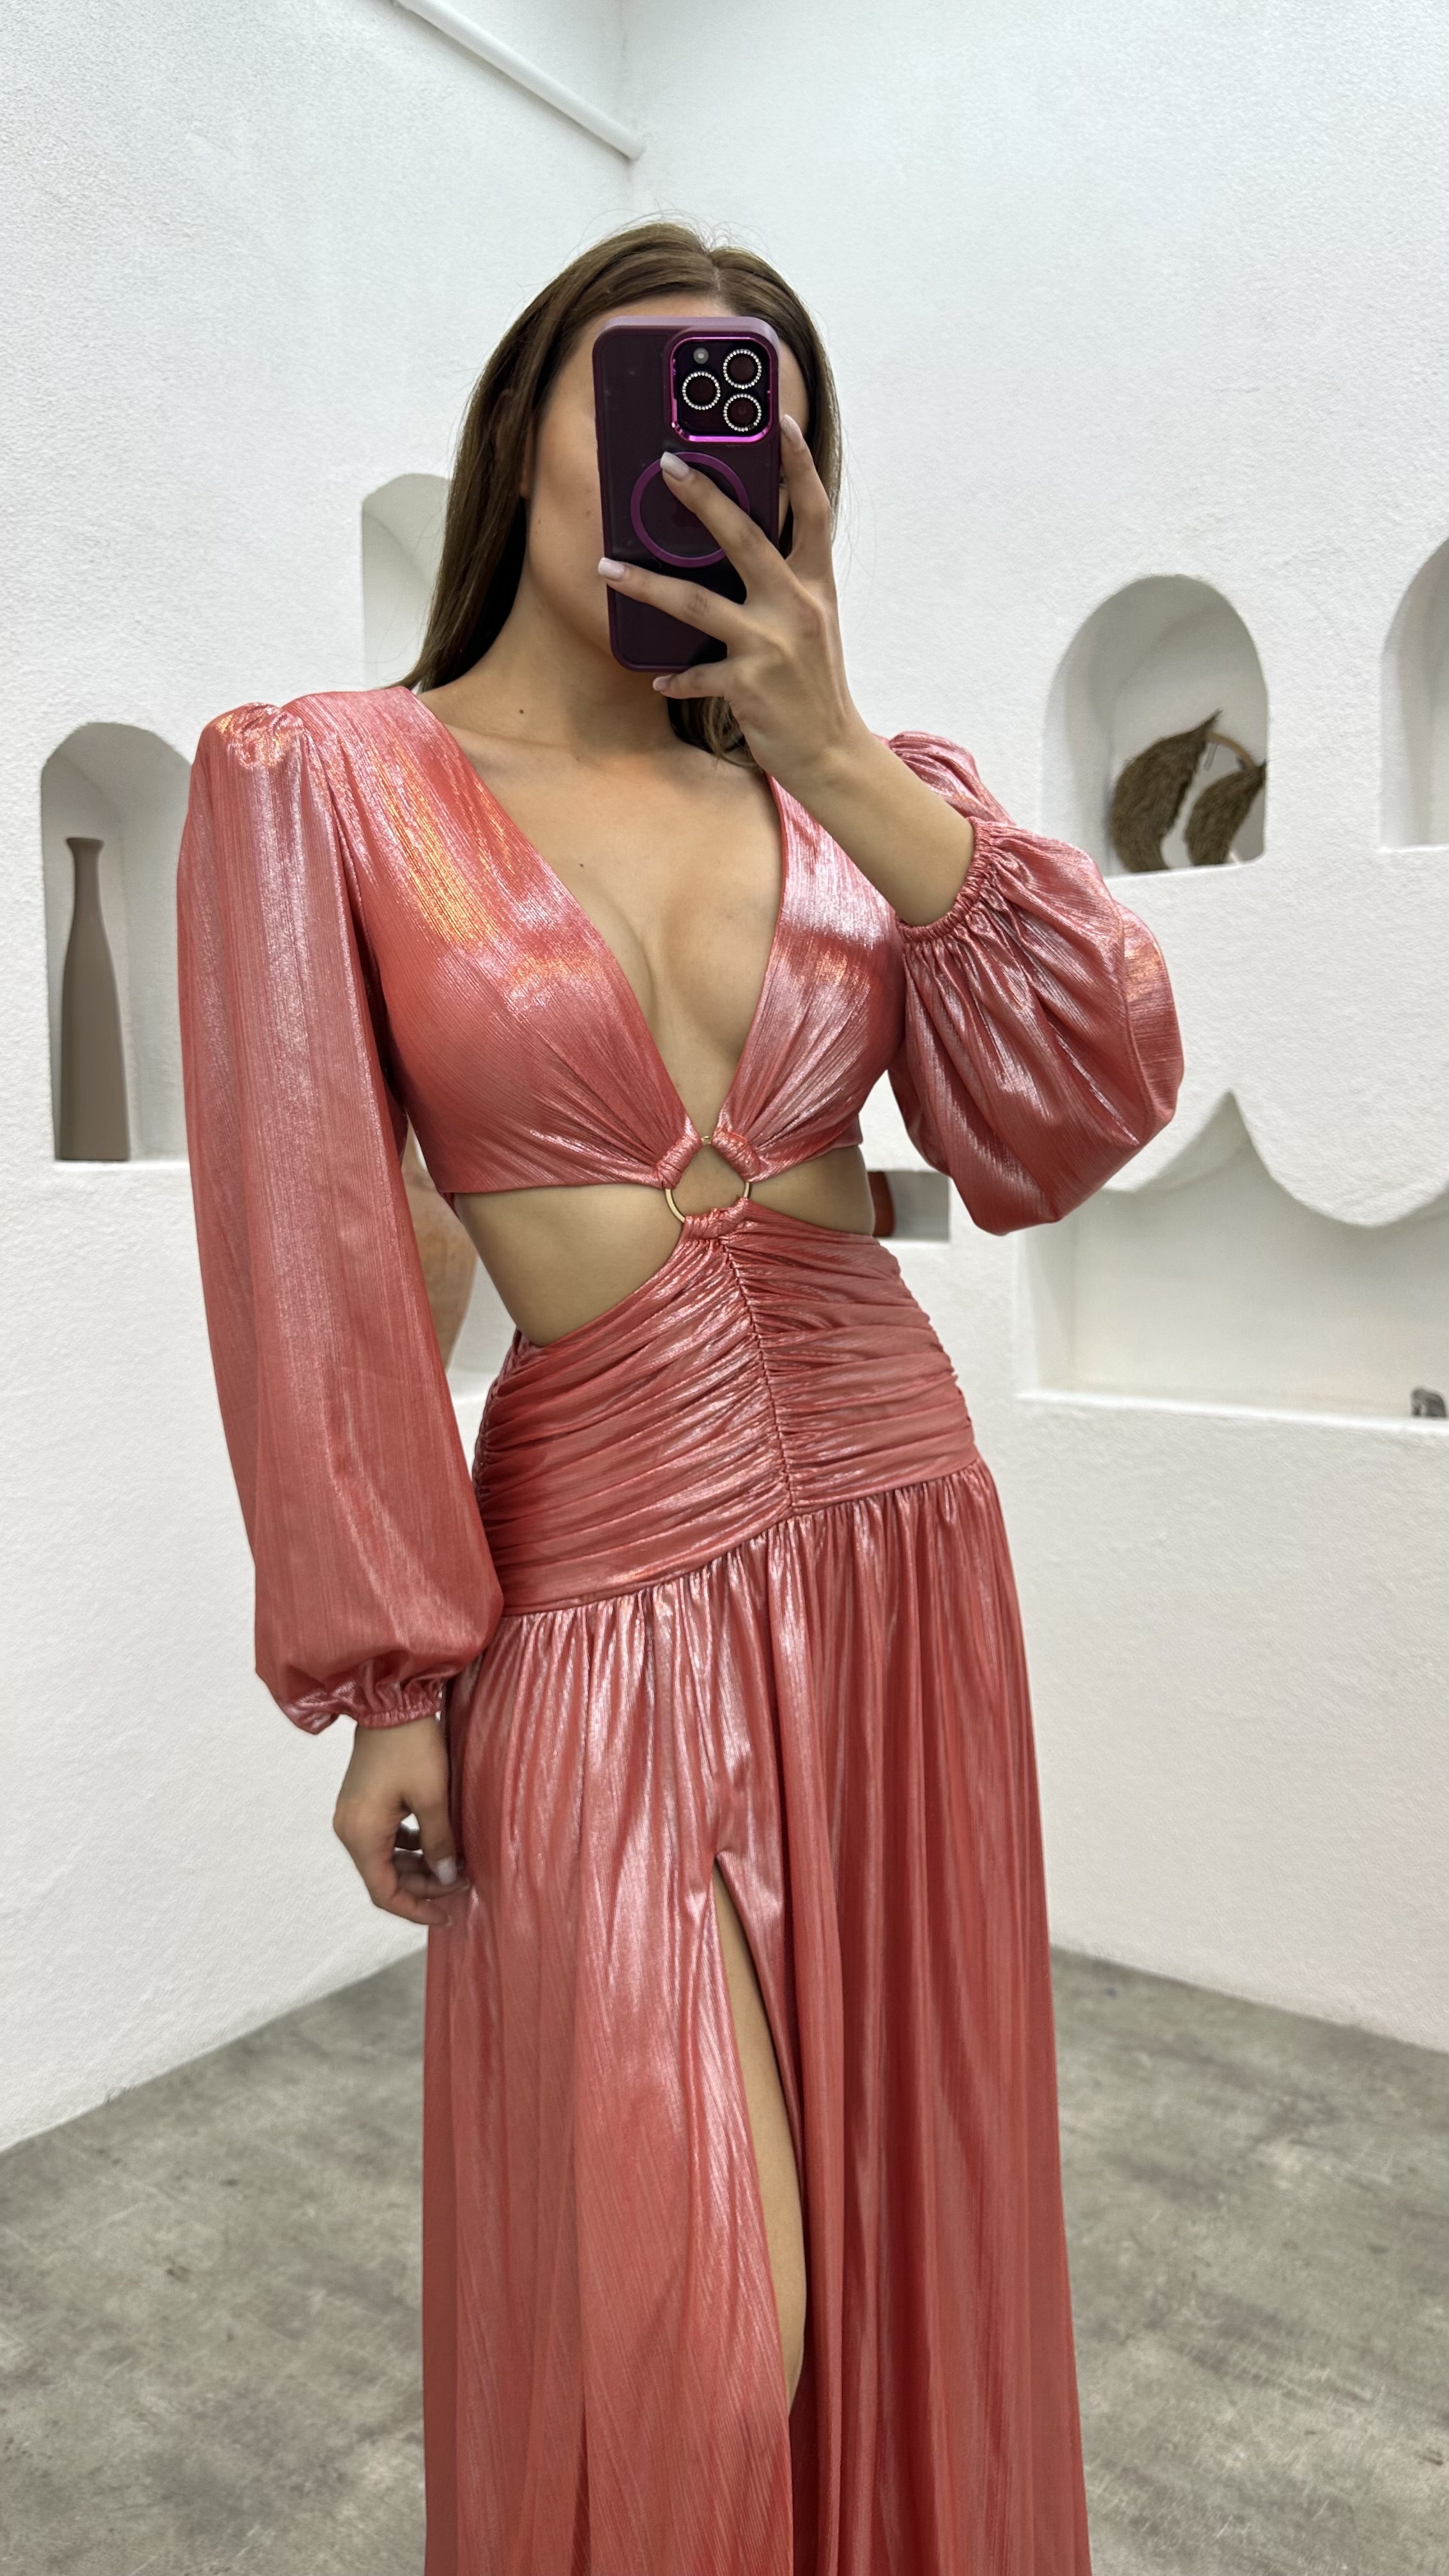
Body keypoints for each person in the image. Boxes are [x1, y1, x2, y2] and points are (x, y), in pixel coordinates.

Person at [177, 220, 1182, 2575]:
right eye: (641, 394)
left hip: (895, 1542)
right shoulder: (321, 779)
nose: (693, 459)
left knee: (898, 2254)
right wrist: (384, 1677)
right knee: (693, 2323)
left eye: (758, 426)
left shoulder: (854, 794)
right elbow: (308, 1253)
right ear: (524, 420)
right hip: (592, 1579)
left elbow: (1083, 1101)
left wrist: (832, 740)